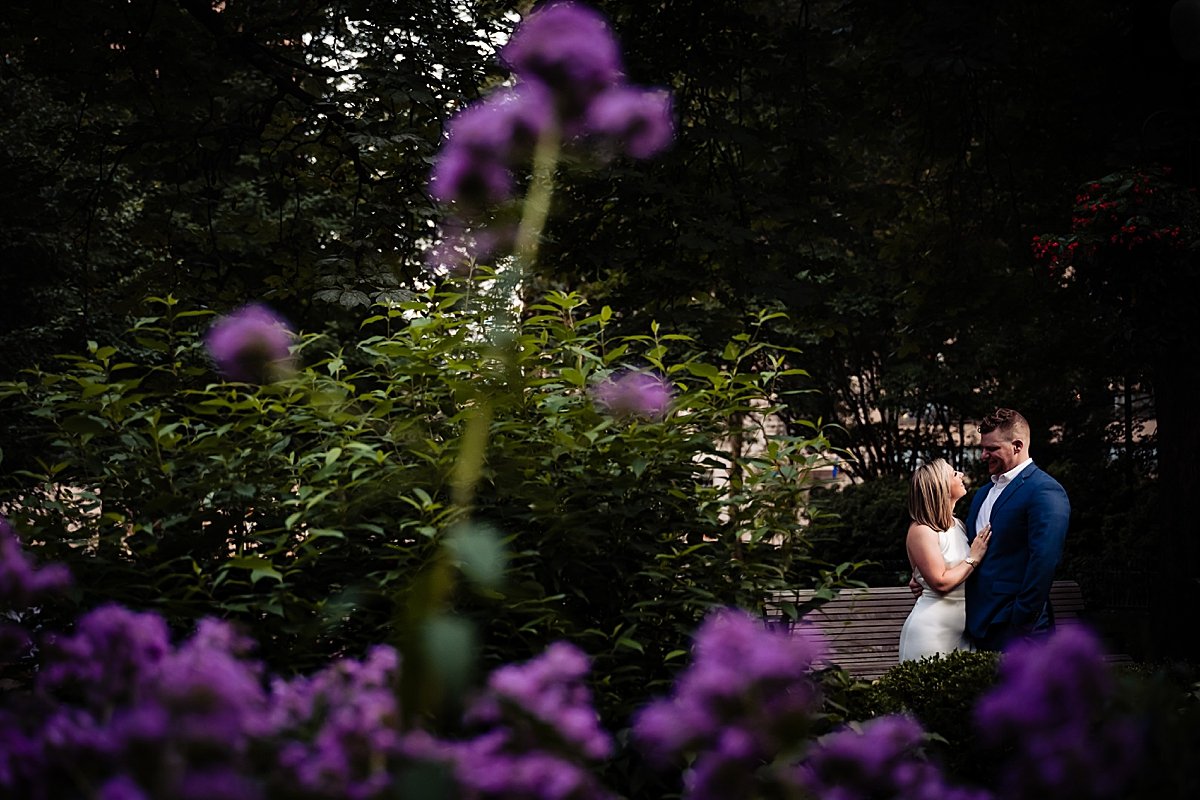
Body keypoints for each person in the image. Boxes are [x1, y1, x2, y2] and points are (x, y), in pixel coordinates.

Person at [963, 407, 1071, 651]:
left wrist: (1021, 621)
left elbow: (1044, 560)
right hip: (976, 625)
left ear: (1018, 446)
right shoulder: (982, 494)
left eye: (991, 449)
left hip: (1019, 631)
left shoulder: (1044, 491)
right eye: (983, 448)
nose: (983, 455)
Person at [898, 459, 992, 662]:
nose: (961, 475)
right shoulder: (921, 530)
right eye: (953, 473)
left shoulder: (958, 525)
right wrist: (973, 558)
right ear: (940, 487)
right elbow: (940, 582)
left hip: (963, 631)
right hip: (931, 632)